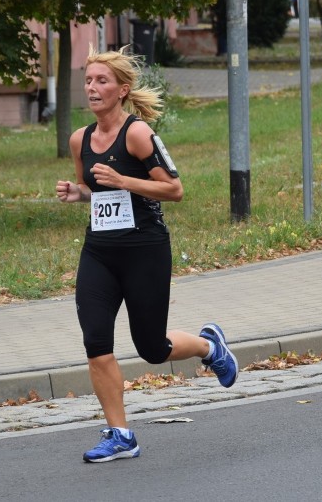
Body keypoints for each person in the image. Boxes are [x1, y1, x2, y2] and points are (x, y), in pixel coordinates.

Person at [55, 47, 239, 462]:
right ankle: (121, 434)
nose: (92, 88)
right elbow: (96, 191)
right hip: (99, 253)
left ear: (122, 90)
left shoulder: (137, 134)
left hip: (145, 251)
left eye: (102, 81)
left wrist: (124, 180)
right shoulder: (79, 139)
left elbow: (174, 189)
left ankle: (210, 347)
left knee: (152, 348)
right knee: (96, 341)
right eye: (88, 80)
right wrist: (78, 194)